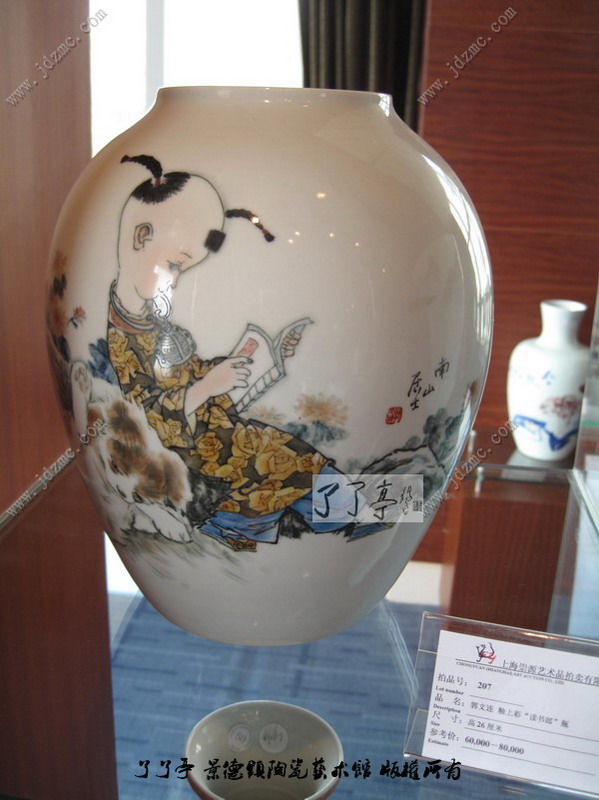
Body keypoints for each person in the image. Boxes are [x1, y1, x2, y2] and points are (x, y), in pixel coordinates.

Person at [109, 155, 349, 550]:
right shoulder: (122, 337)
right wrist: (206, 388)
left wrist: (249, 363)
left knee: (288, 454)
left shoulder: (150, 319)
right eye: (175, 265)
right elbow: (143, 415)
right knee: (285, 461)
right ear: (141, 237)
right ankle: (371, 511)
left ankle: (376, 509)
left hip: (214, 430)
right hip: (190, 449)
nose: (174, 280)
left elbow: (190, 371)